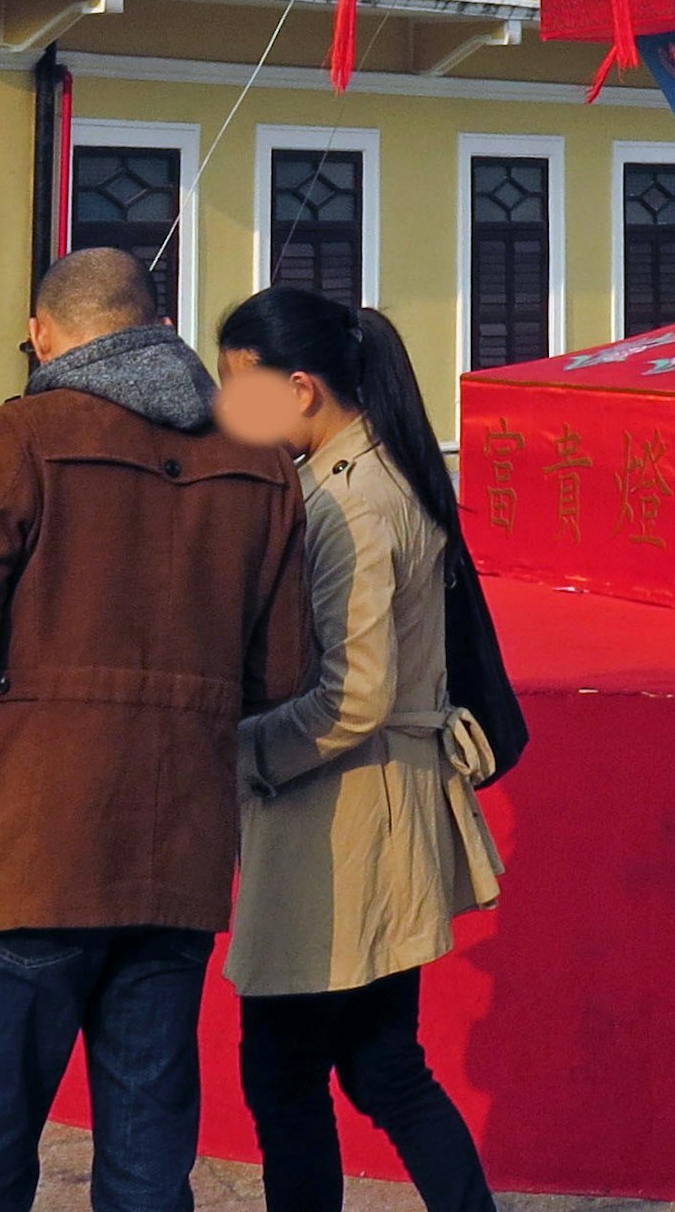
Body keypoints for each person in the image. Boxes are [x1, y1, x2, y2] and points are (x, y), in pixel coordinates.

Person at [0, 248, 314, 1212]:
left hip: (29, 846)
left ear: (46, 333)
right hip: (175, 852)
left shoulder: (22, 435)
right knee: (145, 1165)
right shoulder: (258, 458)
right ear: (156, 326)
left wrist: (8, 735)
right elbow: (284, 672)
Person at [212, 288, 506, 1212]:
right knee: (381, 1068)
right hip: (373, 810)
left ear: (300, 388)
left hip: (339, 829)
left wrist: (244, 752)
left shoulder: (354, 503)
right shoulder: (375, 472)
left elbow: (354, 694)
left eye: (239, 386)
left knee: (287, 1078)